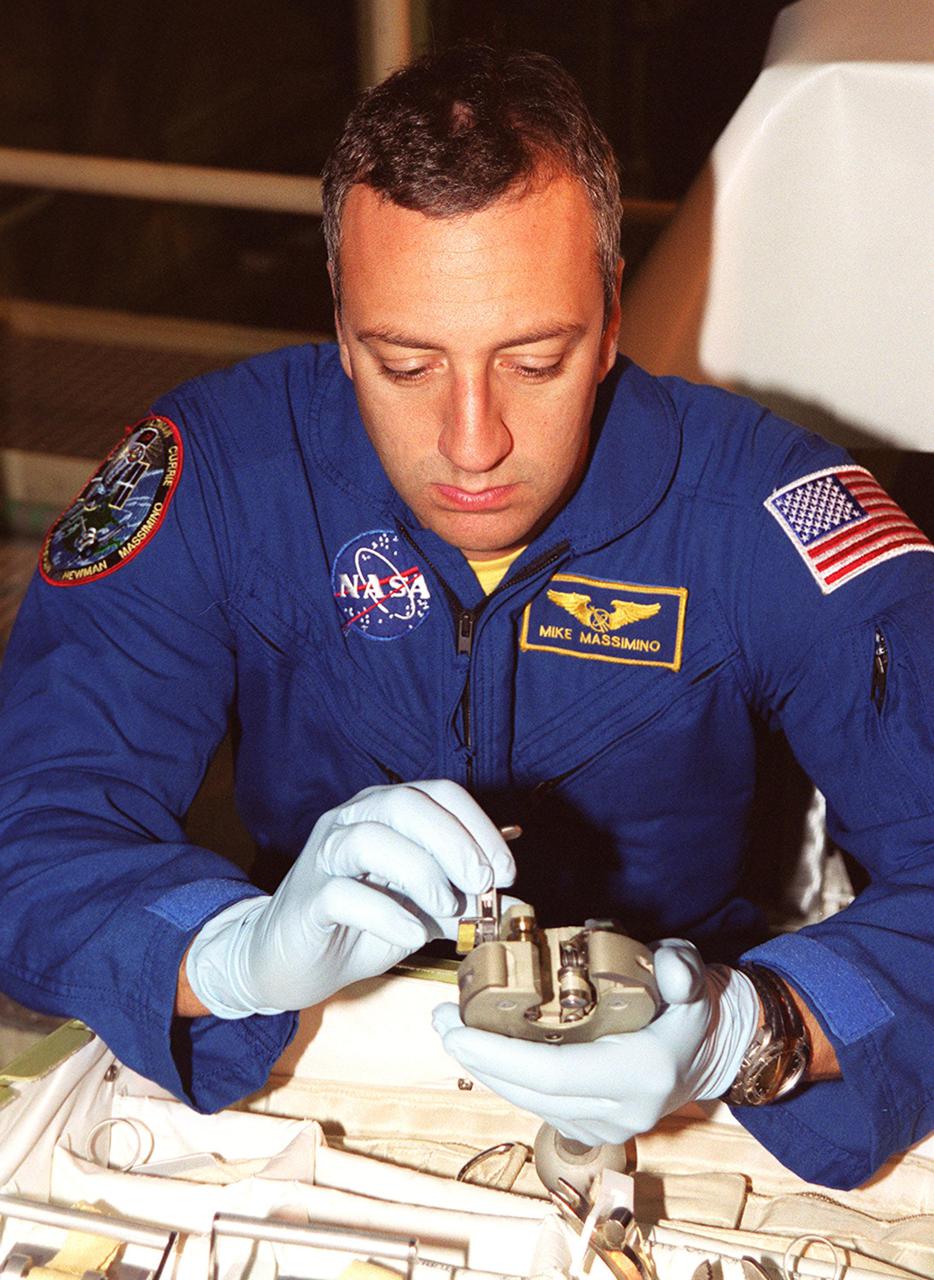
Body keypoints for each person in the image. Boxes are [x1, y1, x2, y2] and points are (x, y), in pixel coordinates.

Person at [0, 43, 932, 1193]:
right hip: (301, 1049)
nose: (473, 441)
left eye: (535, 360)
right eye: (405, 363)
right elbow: (32, 825)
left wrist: (760, 1030)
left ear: (610, 319)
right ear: (340, 328)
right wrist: (231, 957)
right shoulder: (223, 472)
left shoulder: (767, 513)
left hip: (691, 1089)